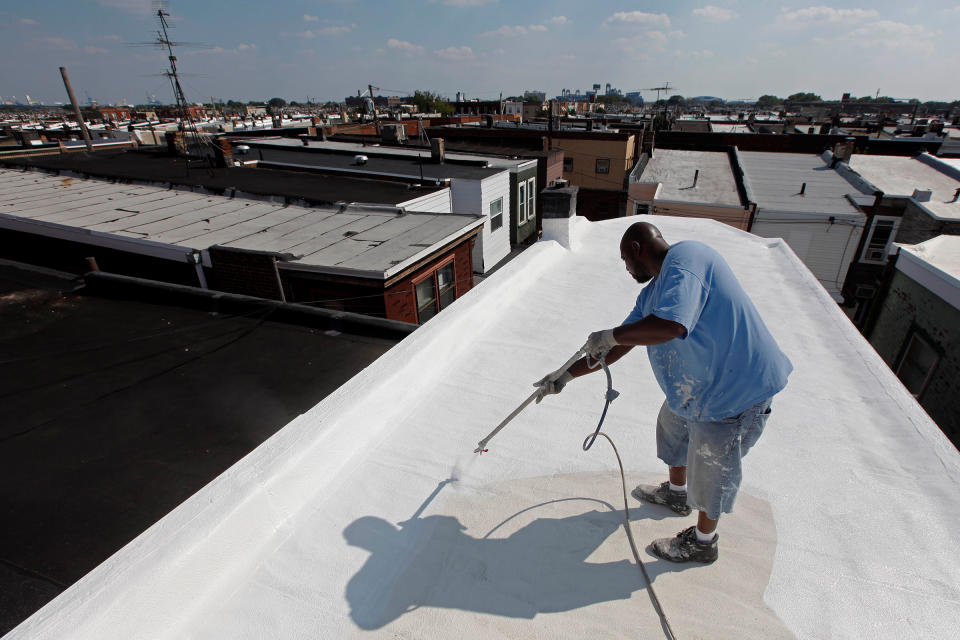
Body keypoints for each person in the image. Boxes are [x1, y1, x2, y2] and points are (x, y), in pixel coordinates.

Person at [533, 222, 792, 563]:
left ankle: (703, 542)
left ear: (638, 249)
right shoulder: (654, 294)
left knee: (712, 466)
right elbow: (620, 346)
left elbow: (671, 325)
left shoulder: (687, 259)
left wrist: (613, 334)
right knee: (672, 426)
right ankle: (677, 494)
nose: (626, 268)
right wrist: (564, 376)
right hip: (701, 391)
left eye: (625, 260)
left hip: (736, 393)